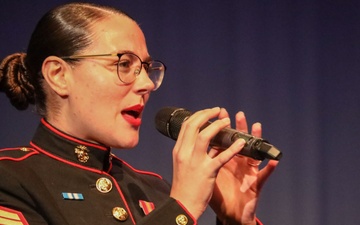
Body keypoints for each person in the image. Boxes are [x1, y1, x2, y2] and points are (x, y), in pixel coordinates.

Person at [0, 2, 279, 225]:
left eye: (146, 67)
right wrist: (181, 207)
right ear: (59, 75)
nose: (146, 84)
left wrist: (236, 221)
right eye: (123, 64)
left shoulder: (153, 189)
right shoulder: (10, 179)